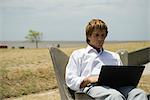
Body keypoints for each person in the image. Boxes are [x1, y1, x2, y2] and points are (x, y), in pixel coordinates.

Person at [65, 19, 148, 100]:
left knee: (139, 94)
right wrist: (88, 79)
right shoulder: (78, 55)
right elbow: (70, 79)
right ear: (89, 36)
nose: (100, 39)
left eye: (102, 35)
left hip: (117, 87)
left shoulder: (114, 56)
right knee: (114, 96)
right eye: (96, 35)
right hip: (92, 88)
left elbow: (122, 77)